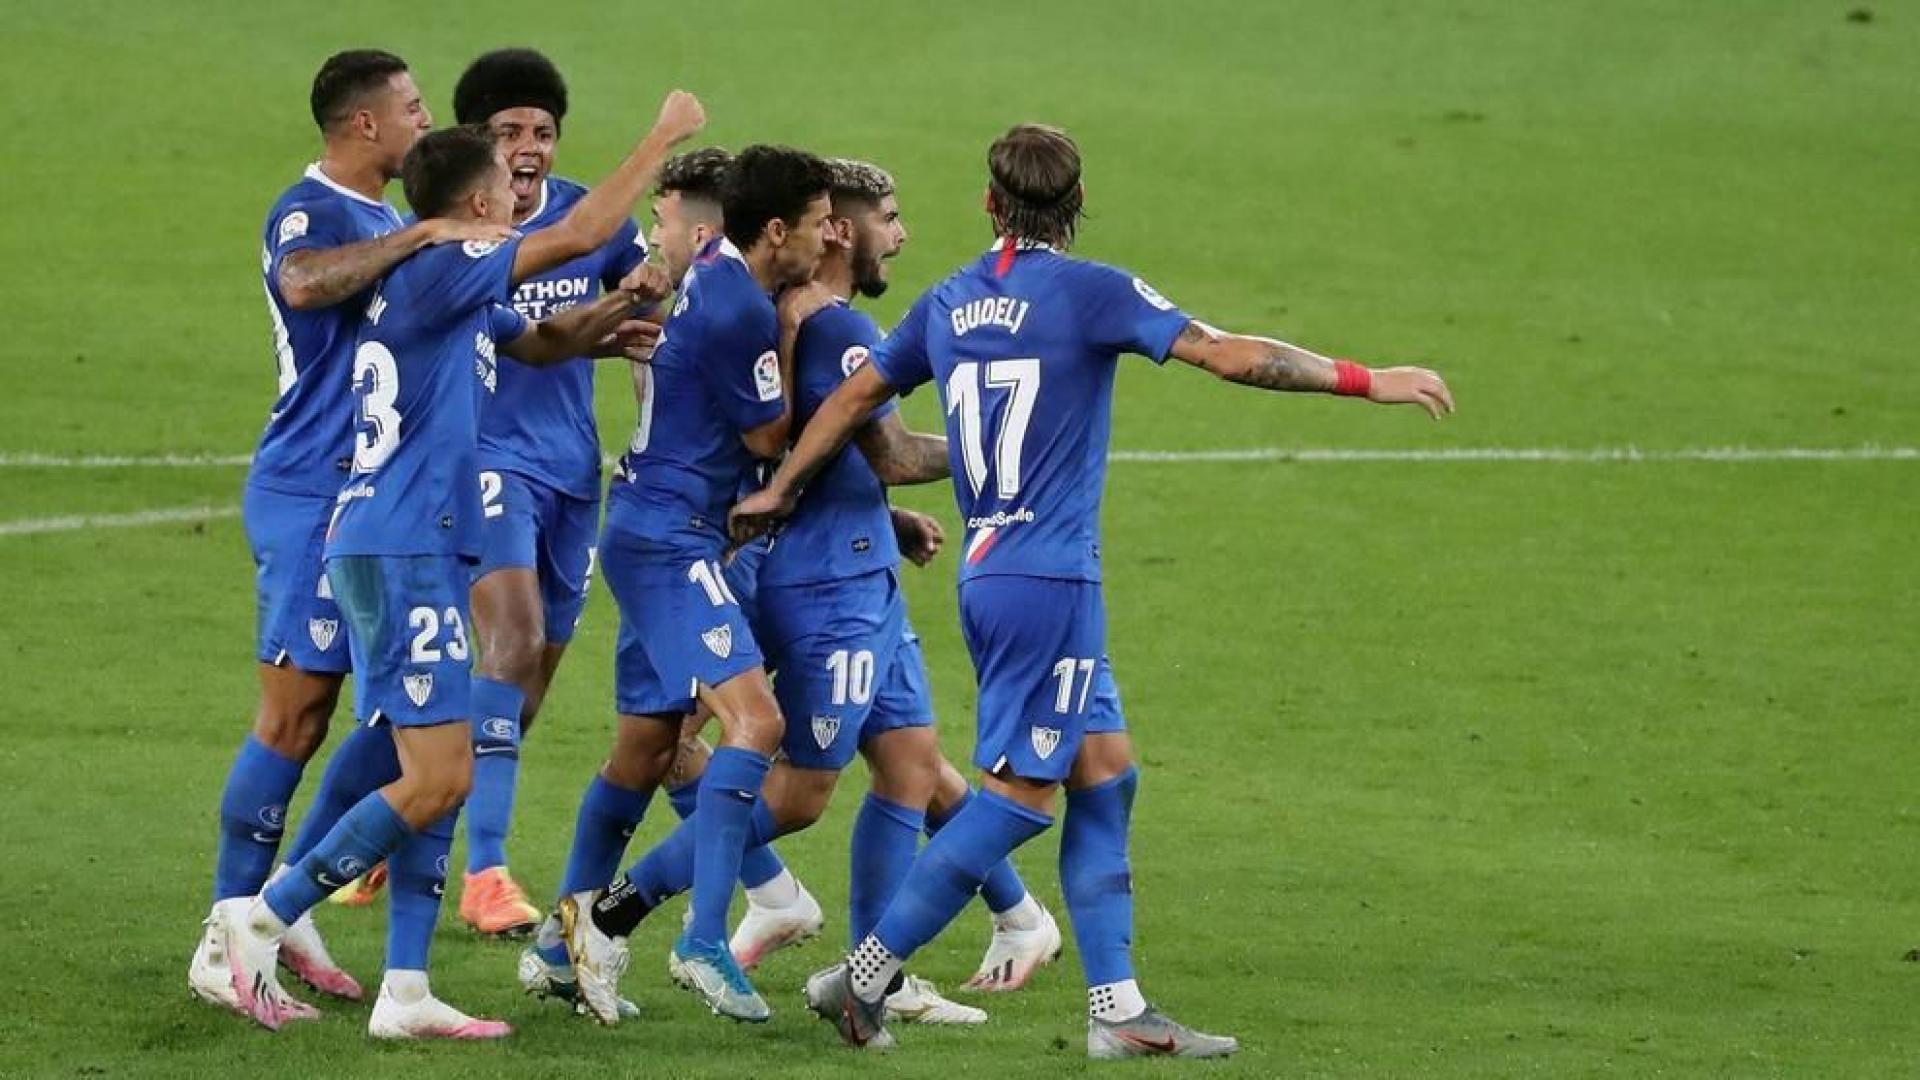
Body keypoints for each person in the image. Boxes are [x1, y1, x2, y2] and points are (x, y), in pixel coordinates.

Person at [731, 123, 1454, 1057]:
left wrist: (783, 489)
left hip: (994, 572)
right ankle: (863, 978)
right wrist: (1368, 379)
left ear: (991, 204)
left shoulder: (947, 302)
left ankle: (1118, 1011)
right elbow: (1233, 355)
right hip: (1050, 580)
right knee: (1020, 800)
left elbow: (851, 399)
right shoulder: (1092, 291)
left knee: (1107, 777)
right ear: (1074, 208)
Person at [217, 94, 705, 1039]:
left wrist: (627, 302)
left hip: (409, 542)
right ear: (478, 204)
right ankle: (262, 918)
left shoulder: (443, 284)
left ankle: (404, 991)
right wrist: (663, 136)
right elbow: (580, 230)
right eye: (501, 186)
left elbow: (545, 338)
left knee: (442, 760)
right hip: (399, 545)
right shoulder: (448, 260)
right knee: (439, 775)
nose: (514, 196)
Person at [190, 47, 511, 1013]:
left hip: (376, 495)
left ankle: (291, 910)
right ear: (364, 125)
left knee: (386, 720)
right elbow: (304, 282)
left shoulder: (389, 214)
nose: (425, 117)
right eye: (412, 107)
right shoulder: (317, 207)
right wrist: (418, 238)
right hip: (312, 488)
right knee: (292, 717)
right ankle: (230, 931)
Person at [547, 144, 833, 1025]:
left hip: (645, 522)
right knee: (759, 720)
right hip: (674, 541)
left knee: (645, 748)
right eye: (818, 224)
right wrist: (796, 341)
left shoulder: (708, 272)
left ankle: (560, 948)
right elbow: (764, 437)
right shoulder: (747, 310)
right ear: (775, 230)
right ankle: (706, 940)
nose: (826, 240)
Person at [444, 46, 654, 937]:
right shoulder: (451, 232)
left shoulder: (591, 218)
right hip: (484, 460)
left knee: (527, 685)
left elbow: (654, 312)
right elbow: (531, 334)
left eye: (542, 131)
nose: (528, 146)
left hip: (575, 472)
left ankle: (401, 811)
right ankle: (485, 871)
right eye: (508, 132)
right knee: (514, 639)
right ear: (475, 143)